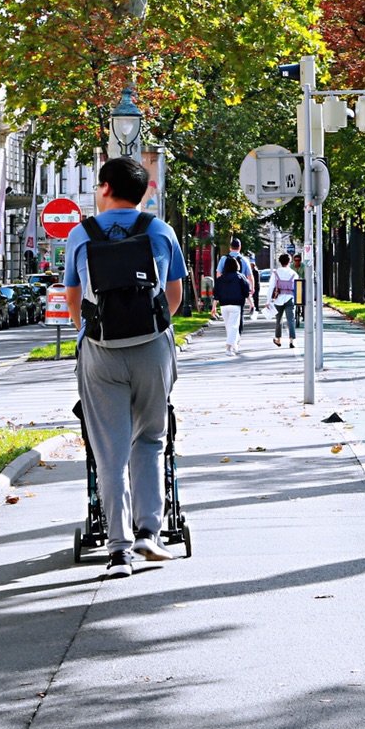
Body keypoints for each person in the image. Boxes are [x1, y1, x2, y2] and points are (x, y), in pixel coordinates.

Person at [64, 157, 187, 577]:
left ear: (104, 188)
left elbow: (73, 301)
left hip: (101, 352)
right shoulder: (161, 231)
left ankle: (118, 552)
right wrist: (150, 330)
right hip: (152, 348)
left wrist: (96, 331)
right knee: (151, 438)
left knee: (109, 451)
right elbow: (174, 296)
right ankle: (148, 534)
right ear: (144, 192)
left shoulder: (81, 234)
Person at [214, 239, 252, 355]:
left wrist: (214, 306)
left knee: (228, 326)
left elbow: (217, 291)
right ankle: (228, 347)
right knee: (235, 325)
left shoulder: (221, 276)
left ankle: (233, 345)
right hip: (236, 303)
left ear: (230, 247)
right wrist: (251, 303)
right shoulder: (241, 275)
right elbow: (247, 288)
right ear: (240, 247)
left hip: (224, 304)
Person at [271, 253, 299, 347]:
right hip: (290, 298)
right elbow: (297, 287)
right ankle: (292, 341)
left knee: (278, 320)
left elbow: (271, 287)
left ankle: (278, 340)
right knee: (290, 320)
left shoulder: (276, 273)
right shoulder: (293, 273)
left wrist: (268, 301)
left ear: (280, 261)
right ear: (289, 261)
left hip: (278, 299)